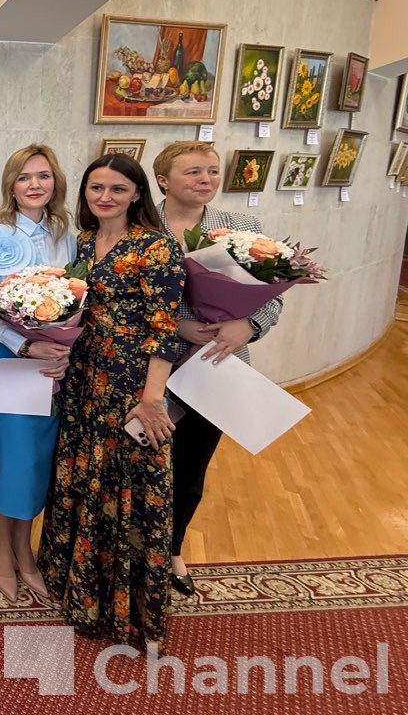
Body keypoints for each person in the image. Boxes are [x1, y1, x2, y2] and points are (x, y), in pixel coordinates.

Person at [37, 153, 185, 650]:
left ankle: (128, 609)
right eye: (96, 188)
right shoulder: (83, 241)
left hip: (130, 388)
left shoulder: (156, 247)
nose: (105, 197)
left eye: (117, 189)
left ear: (138, 193)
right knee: (84, 478)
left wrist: (152, 399)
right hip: (83, 381)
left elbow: (164, 330)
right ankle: (81, 592)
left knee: (127, 491)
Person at [152, 141, 282, 596]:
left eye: (211, 170)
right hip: (150, 367)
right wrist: (177, 326)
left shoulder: (242, 229)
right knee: (143, 465)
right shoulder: (139, 226)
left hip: (217, 367)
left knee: (191, 469)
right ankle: (136, 551)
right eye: (193, 171)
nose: (206, 179)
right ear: (163, 180)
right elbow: (121, 299)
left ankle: (172, 549)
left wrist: (249, 324)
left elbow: (273, 296)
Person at [0, 144, 76, 601]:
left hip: (53, 359)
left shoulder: (66, 235)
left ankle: (25, 546)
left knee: (38, 452)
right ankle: (0, 542)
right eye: (24, 177)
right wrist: (26, 344)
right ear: (10, 185)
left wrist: (60, 346)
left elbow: (75, 300)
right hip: (7, 356)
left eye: (43, 176)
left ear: (55, 182)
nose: (35, 184)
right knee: (10, 451)